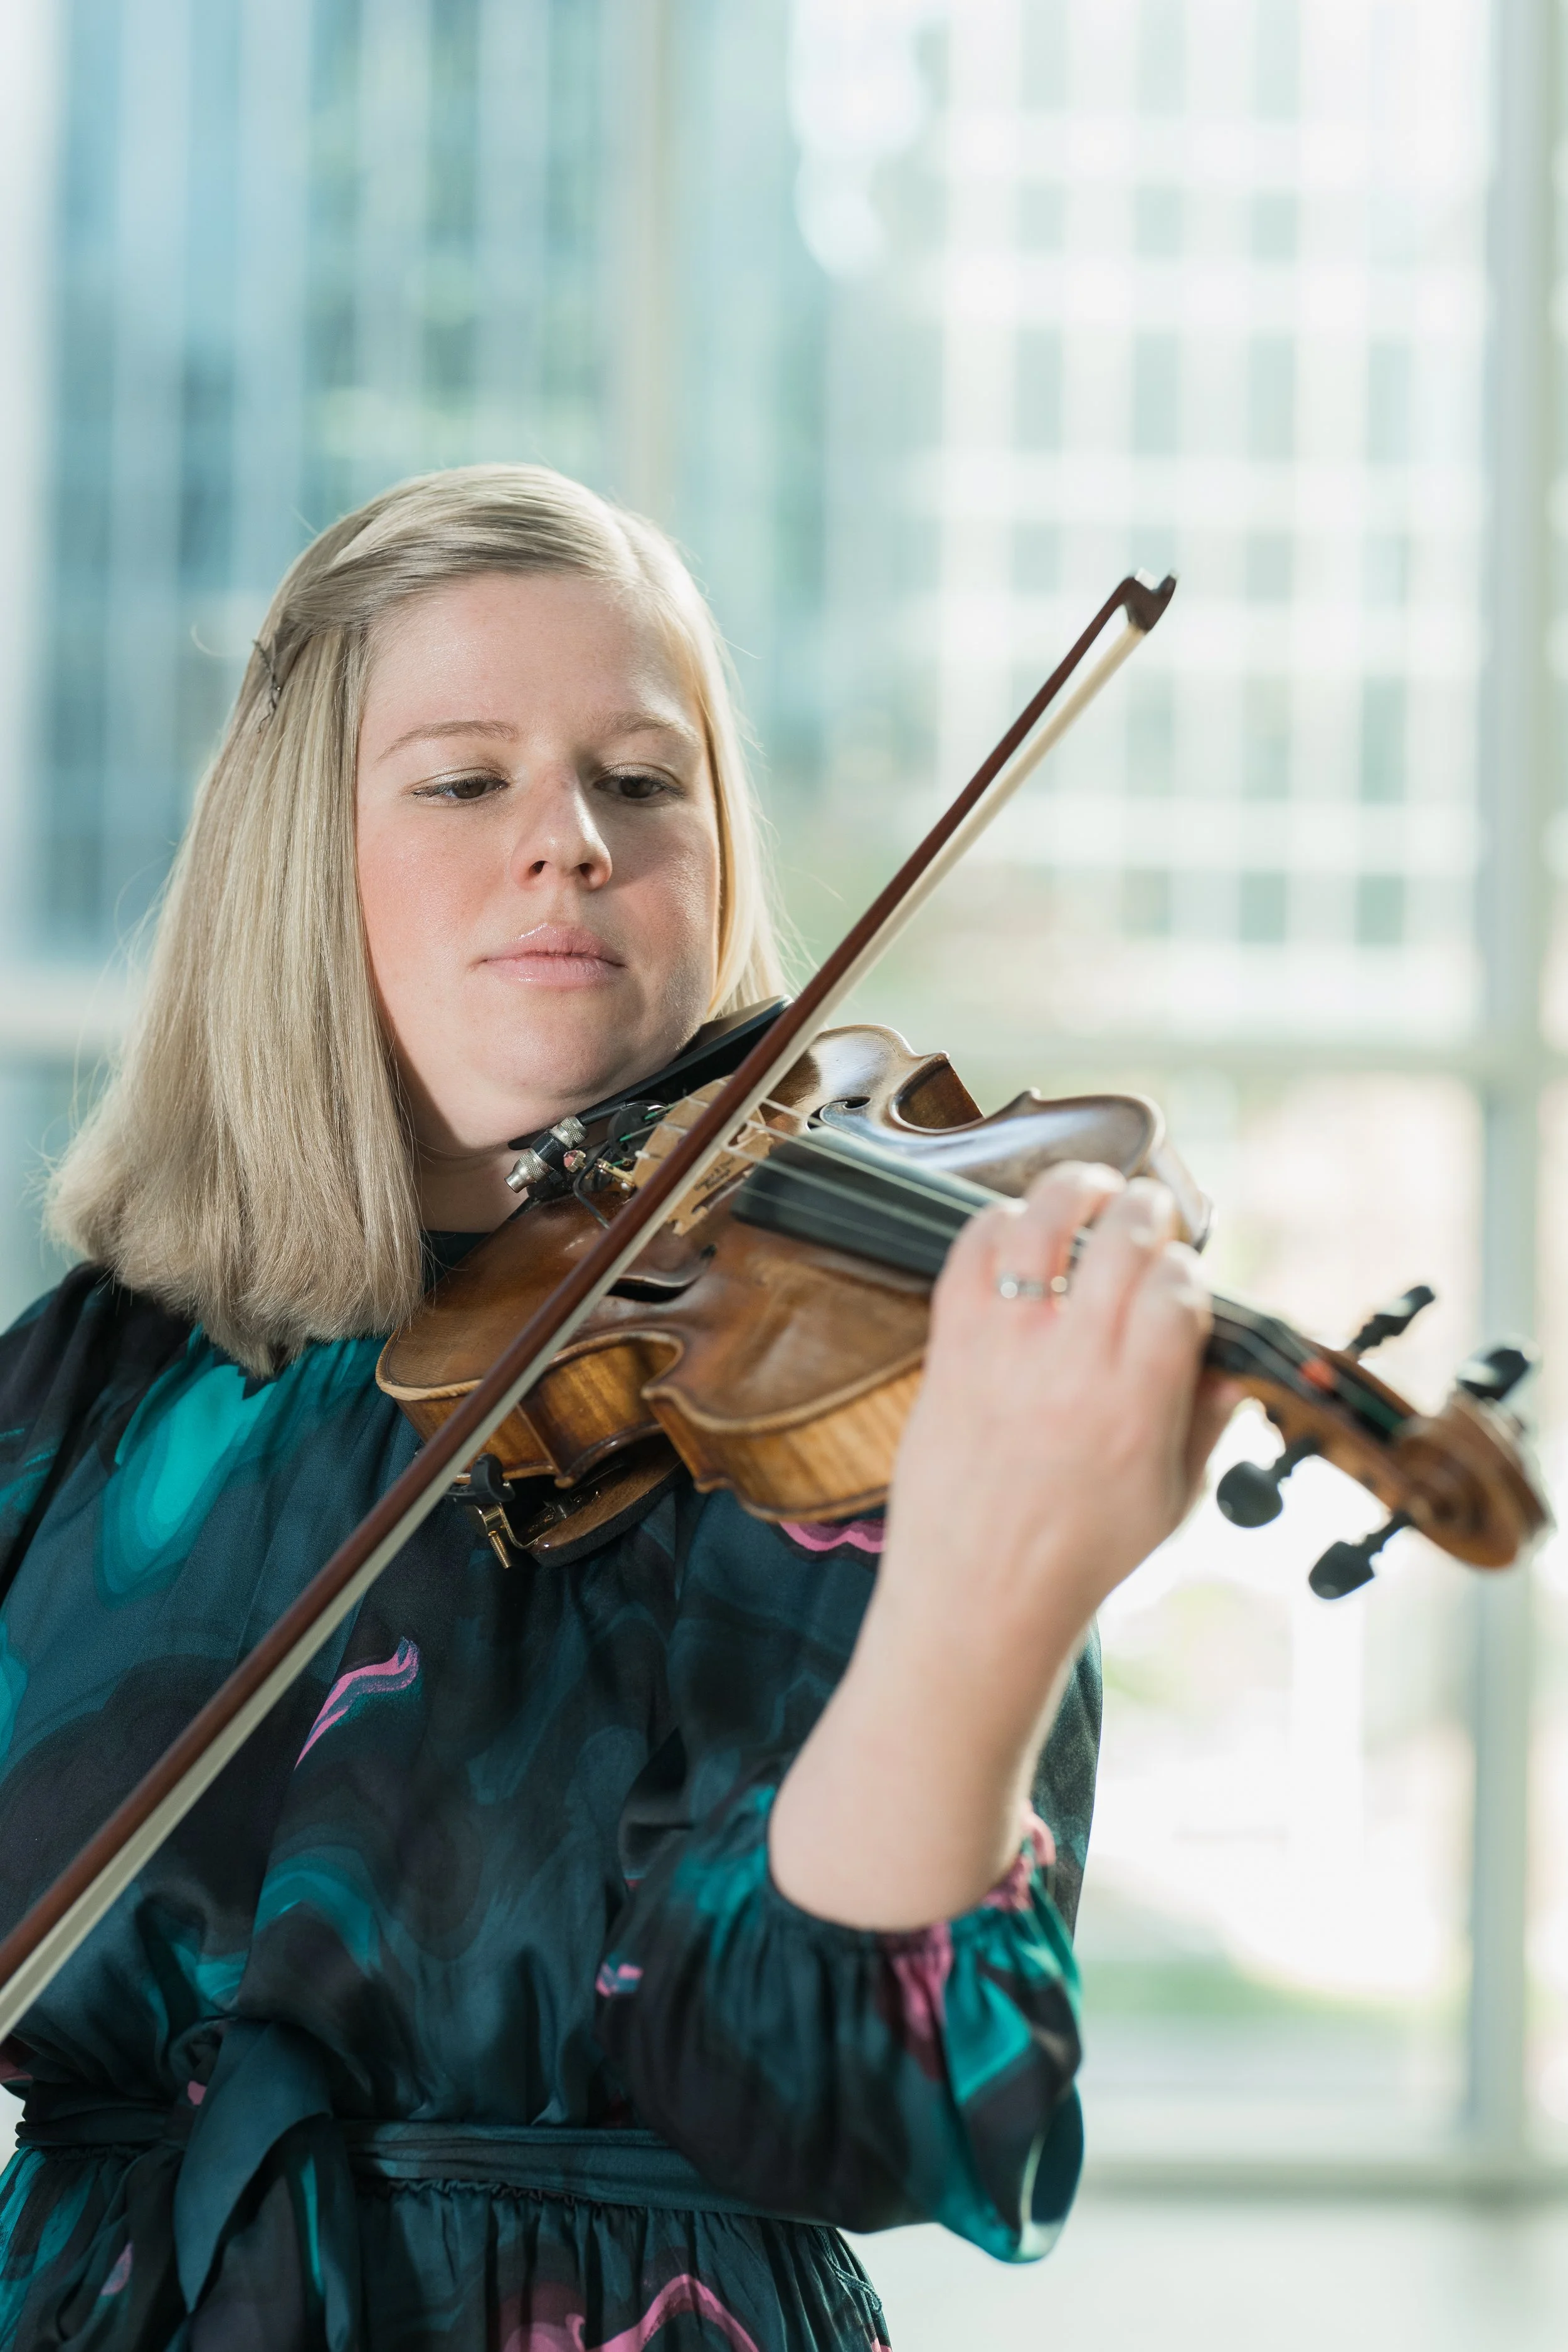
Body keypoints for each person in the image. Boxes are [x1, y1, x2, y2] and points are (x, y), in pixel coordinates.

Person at [0, 465, 1230, 2351]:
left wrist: (991, 1586)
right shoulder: (94, 1380)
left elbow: (853, 2098)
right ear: (297, 860)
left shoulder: (828, 1386)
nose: (568, 839)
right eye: (464, 777)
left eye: (640, 782)